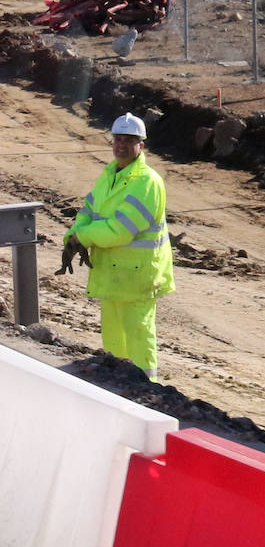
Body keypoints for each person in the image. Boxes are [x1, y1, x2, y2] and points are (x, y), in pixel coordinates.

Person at [64, 112, 174, 381]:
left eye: (129, 140)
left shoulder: (147, 182)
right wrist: (73, 234)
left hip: (137, 279)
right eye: (117, 138)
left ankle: (149, 392)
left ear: (141, 146)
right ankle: (119, 389)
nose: (121, 144)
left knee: (138, 339)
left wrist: (82, 238)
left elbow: (121, 230)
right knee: (114, 340)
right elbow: (88, 210)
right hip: (112, 275)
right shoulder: (109, 175)